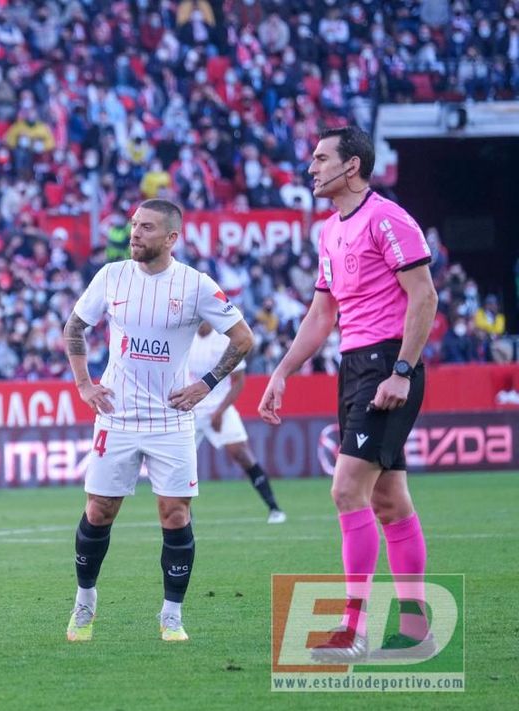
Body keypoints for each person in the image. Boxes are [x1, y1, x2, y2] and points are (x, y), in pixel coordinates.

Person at [259, 126, 438, 662]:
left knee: (346, 491)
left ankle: (352, 629)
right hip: (355, 365)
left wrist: (402, 371)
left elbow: (423, 296)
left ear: (352, 166)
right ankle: (415, 631)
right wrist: (283, 371)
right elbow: (322, 314)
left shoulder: (388, 218)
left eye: (321, 158)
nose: (311, 167)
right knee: (388, 499)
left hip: (387, 365)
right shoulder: (331, 232)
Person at [62, 199, 253, 643]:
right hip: (118, 415)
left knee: (175, 514)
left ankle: (171, 615)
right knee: (99, 510)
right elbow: (74, 327)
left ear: (171, 238)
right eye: (133, 226)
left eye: (146, 228)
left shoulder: (195, 285)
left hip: (171, 419)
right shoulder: (110, 276)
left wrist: (205, 384)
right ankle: (84, 603)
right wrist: (84, 385)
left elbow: (244, 339)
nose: (134, 234)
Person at [187, 321, 285, 523]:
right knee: (180, 462)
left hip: (219, 407)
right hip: (191, 410)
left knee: (242, 454)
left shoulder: (225, 341)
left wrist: (220, 412)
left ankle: (274, 508)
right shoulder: (185, 338)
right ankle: (185, 516)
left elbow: (239, 381)